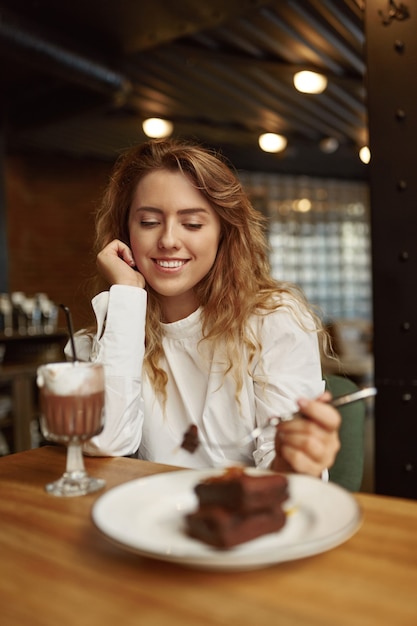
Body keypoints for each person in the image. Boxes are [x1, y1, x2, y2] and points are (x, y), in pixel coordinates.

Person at [72, 138, 341, 478]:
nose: (168, 240)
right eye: (149, 222)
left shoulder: (274, 320)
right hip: (146, 520)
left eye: (193, 224)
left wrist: (296, 457)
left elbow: (284, 468)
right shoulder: (108, 337)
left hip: (243, 518)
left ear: (223, 234)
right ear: (126, 233)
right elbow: (104, 444)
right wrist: (125, 294)